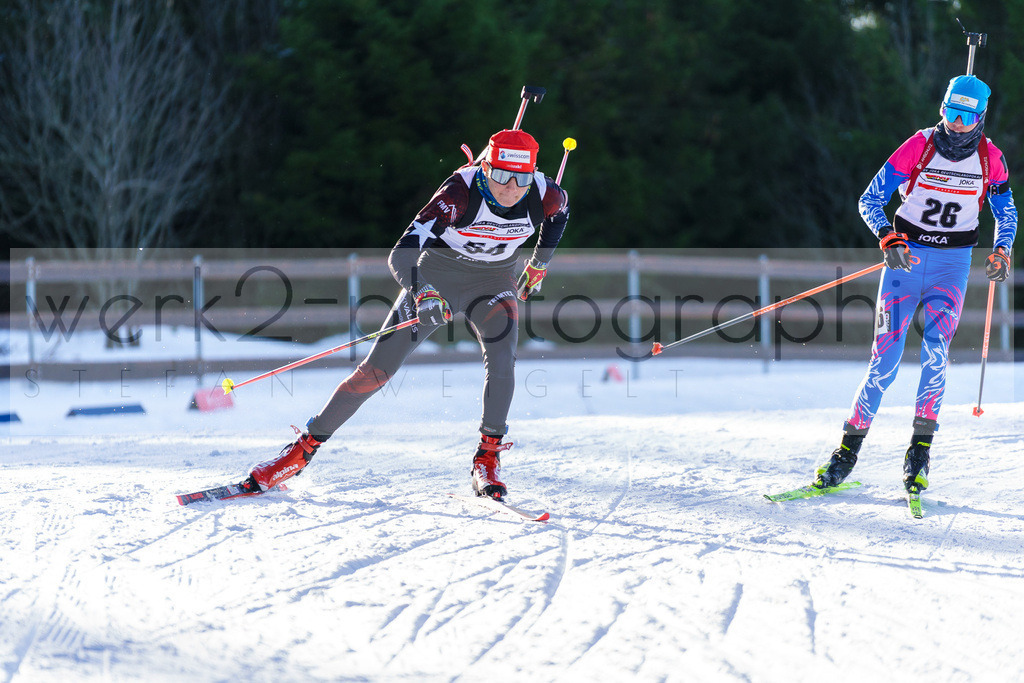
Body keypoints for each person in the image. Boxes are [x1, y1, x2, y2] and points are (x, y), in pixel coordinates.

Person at [239, 129, 570, 501]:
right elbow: (401, 254)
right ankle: (299, 453)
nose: (510, 188)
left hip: (494, 282)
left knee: (503, 361)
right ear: (484, 169)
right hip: (438, 276)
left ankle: (487, 458)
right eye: (500, 176)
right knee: (376, 371)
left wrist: (539, 265)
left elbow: (560, 217)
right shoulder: (457, 194)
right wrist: (424, 291)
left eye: (521, 178)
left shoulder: (547, 194)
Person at [815, 74, 1016, 495]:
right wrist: (888, 237)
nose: (957, 123)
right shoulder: (919, 145)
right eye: (950, 111)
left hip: (952, 265)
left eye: (967, 115)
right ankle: (846, 452)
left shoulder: (989, 159)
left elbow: (1005, 211)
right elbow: (869, 199)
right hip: (905, 260)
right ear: (941, 108)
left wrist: (1001, 250)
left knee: (936, 353)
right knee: (883, 361)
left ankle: (919, 452)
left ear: (981, 117)